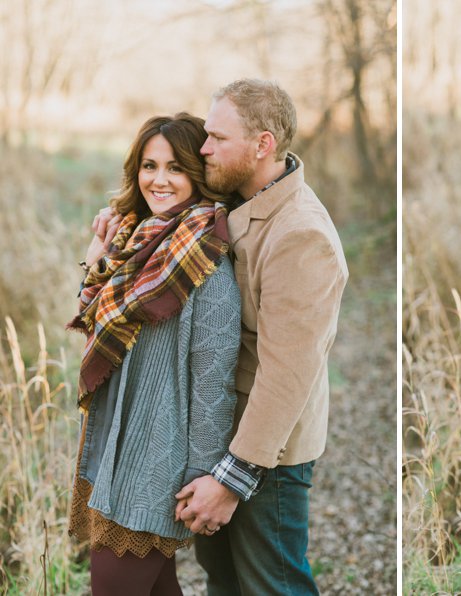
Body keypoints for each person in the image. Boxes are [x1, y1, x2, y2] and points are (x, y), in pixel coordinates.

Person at [166, 79, 348, 594]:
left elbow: (287, 374)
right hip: (221, 434)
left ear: (263, 144)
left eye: (217, 139)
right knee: (225, 583)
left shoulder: (300, 235)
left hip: (264, 457)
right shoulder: (234, 198)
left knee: (273, 586)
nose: (204, 149)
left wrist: (230, 481)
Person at [67, 113, 241, 595]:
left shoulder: (204, 260)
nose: (159, 180)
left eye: (175, 168)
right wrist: (98, 251)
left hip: (157, 469)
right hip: (116, 452)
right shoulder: (136, 239)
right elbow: (93, 317)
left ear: (197, 174)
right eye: (149, 165)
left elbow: (213, 384)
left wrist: (203, 478)